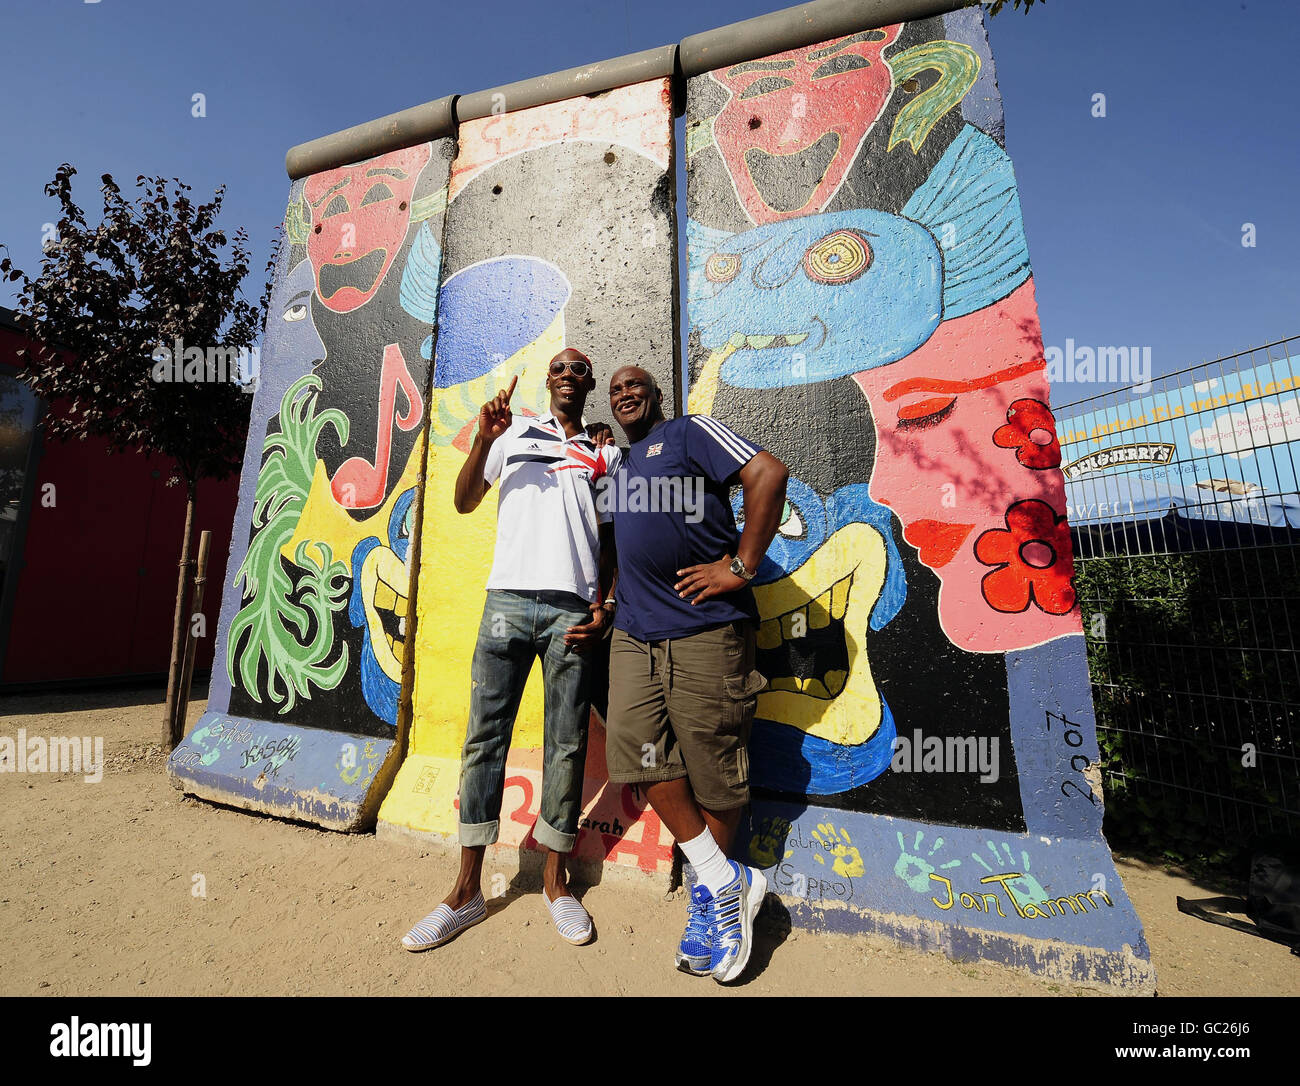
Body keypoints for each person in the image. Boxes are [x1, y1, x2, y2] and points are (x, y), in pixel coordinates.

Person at [400, 348, 619, 951]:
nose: (569, 375)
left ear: (589, 382)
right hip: (506, 604)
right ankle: (466, 889)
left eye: (580, 368)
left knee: (567, 741)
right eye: (560, 368)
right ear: (548, 380)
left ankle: (555, 881)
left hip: (573, 611)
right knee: (483, 736)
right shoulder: (513, 429)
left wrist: (605, 605)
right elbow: (465, 499)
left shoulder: (604, 451)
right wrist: (481, 439)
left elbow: (612, 538)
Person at [597, 364, 789, 983]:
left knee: (713, 768)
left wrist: (741, 564)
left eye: (637, 386)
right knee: (637, 753)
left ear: (656, 398)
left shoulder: (687, 434)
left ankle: (714, 902)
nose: (626, 393)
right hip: (633, 634)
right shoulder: (618, 470)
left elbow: (768, 473)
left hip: (706, 631)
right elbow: (623, 546)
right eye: (617, 388)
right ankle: (723, 876)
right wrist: (607, 602)